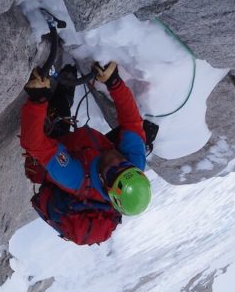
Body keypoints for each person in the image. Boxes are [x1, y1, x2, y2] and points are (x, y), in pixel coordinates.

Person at [20, 60, 152, 245]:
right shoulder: (133, 162)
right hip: (88, 148)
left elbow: (34, 143)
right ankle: (65, 89)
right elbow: (132, 122)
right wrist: (114, 83)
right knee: (141, 133)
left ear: (107, 185)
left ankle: (62, 97)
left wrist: (37, 100)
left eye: (114, 172)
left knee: (56, 114)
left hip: (61, 157)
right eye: (125, 165)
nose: (117, 162)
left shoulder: (75, 178)